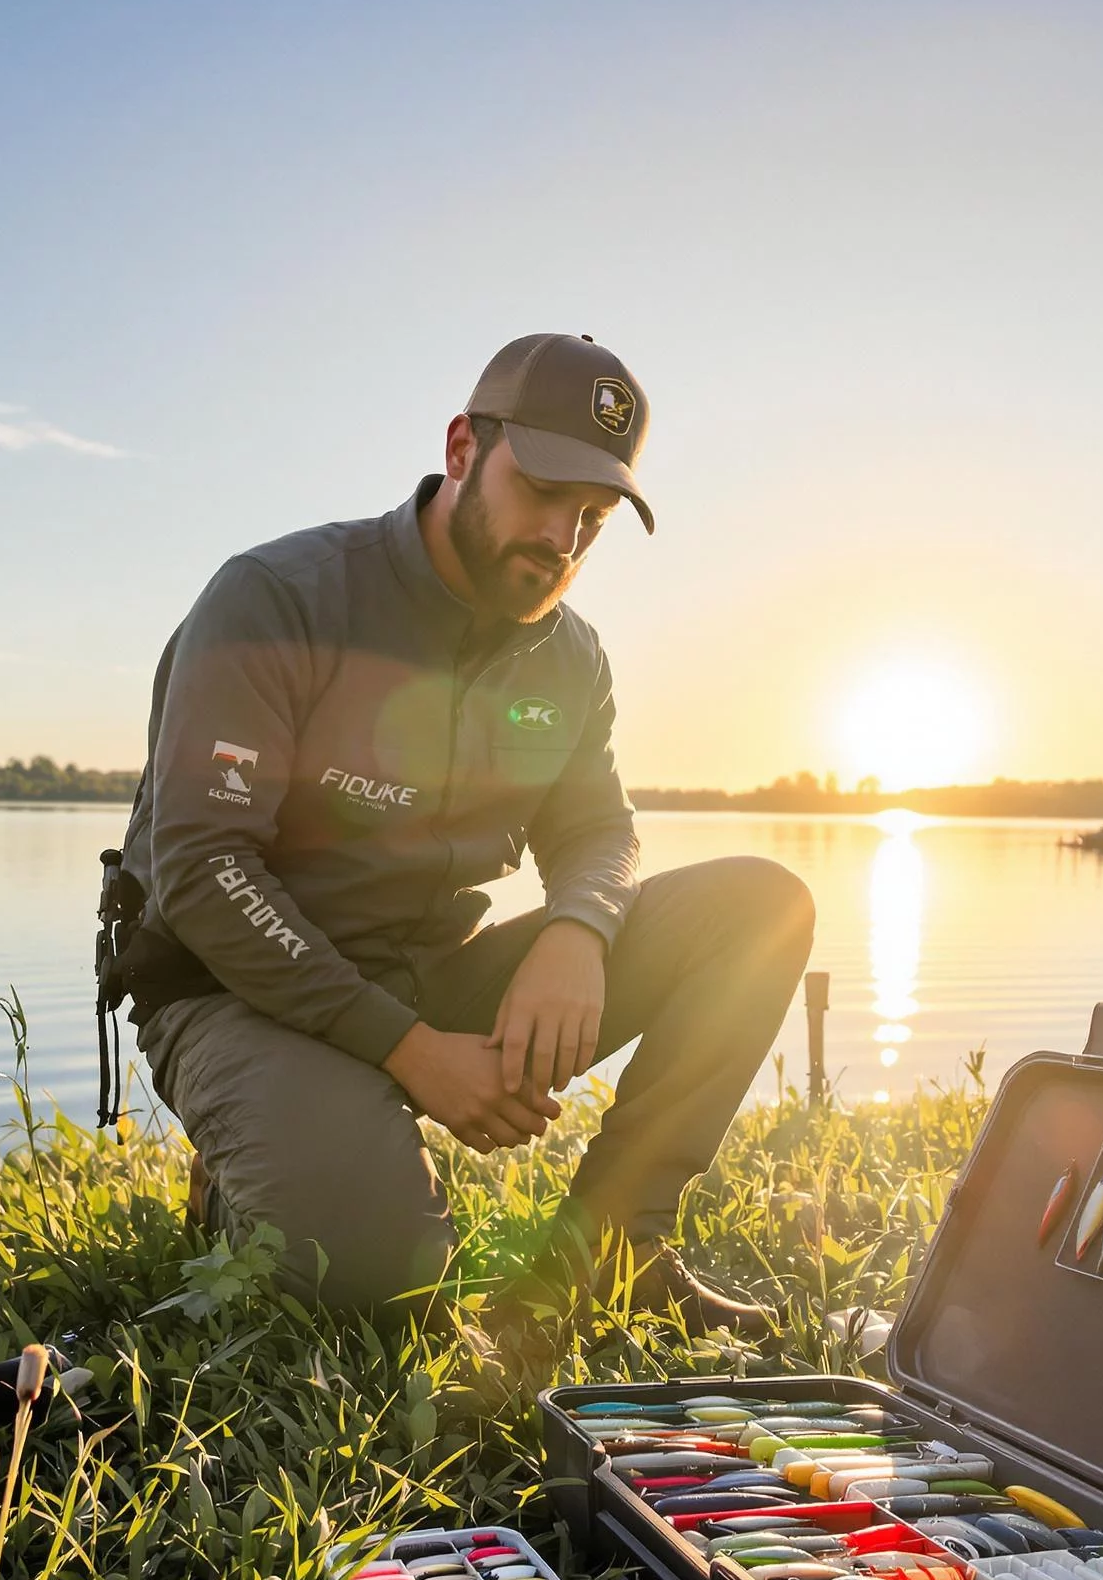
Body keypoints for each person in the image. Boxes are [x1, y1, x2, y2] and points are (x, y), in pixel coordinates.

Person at [115, 333, 814, 1316]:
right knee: (385, 1276)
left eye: (593, 517)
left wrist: (578, 928)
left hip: (431, 974)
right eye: (541, 492)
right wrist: (409, 1052)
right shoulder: (277, 598)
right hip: (237, 992)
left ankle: (610, 1251)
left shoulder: (571, 659)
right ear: (461, 449)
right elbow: (200, 869)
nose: (563, 541)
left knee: (759, 907)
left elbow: (598, 830)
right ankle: (265, 1173)